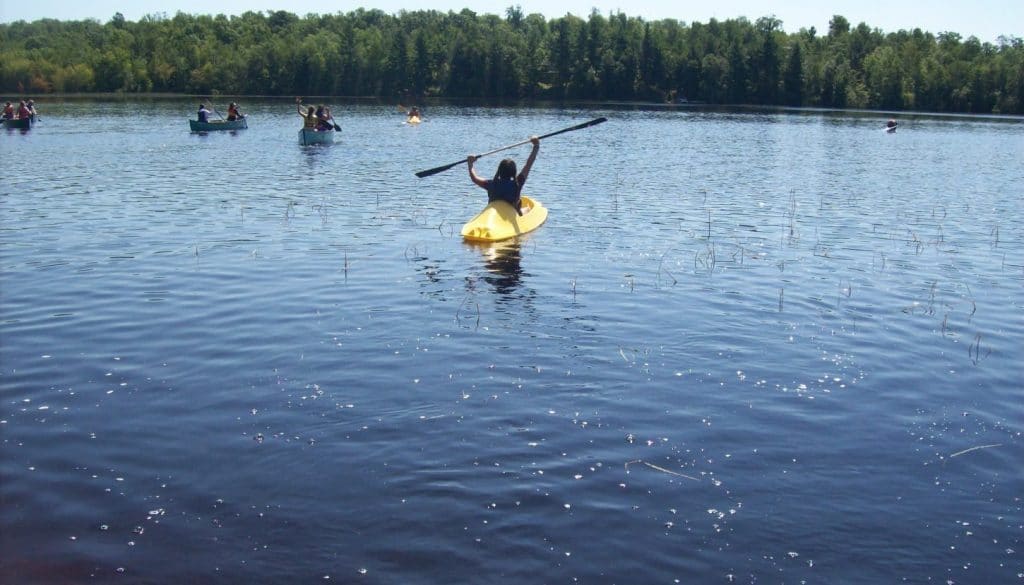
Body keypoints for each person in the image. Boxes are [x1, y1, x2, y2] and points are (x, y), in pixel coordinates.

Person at [467, 136, 540, 216]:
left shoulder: (491, 184)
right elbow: (529, 163)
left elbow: (474, 178)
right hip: (512, 214)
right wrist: (536, 145)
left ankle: (524, 210)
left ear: (499, 171)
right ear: (513, 172)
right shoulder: (517, 183)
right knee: (526, 208)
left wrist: (470, 164)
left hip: (495, 212)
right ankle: (525, 210)